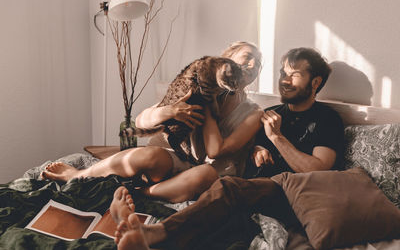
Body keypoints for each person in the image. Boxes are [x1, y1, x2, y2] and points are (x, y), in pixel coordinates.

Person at [108, 47, 345, 250]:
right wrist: (257, 150)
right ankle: (147, 235)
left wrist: (277, 138)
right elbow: (251, 147)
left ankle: (155, 233)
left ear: (315, 82)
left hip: (290, 190)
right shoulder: (273, 113)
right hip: (254, 188)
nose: (284, 80)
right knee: (224, 220)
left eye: (294, 75)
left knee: (227, 187)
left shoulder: (327, 118)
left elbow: (319, 170)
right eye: (283, 72)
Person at [42, 41, 264, 203]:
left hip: (213, 172)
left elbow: (216, 151)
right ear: (226, 57)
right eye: (248, 56)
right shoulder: (190, 85)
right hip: (178, 159)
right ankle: (79, 175)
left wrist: (207, 101)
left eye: (259, 63)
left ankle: (140, 194)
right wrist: (170, 111)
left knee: (203, 174)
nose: (253, 64)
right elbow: (142, 121)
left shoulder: (254, 112)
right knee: (149, 154)